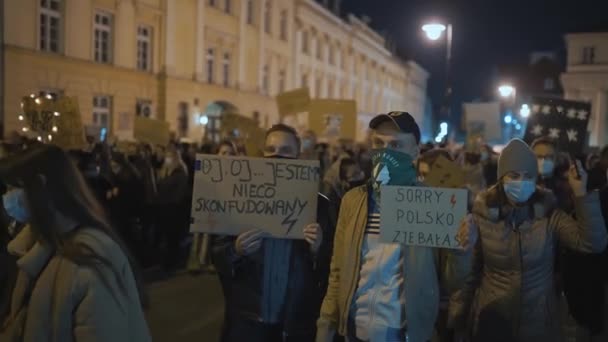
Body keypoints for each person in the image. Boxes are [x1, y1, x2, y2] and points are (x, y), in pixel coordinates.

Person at [316, 112, 471, 342]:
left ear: (415, 152)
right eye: (379, 143)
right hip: (354, 332)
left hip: (403, 335)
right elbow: (338, 271)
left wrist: (461, 252)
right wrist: (326, 326)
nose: (385, 152)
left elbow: (452, 283)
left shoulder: (434, 206)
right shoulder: (353, 201)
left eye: (396, 145)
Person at [449, 139, 608, 342]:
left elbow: (593, 243)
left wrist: (581, 194)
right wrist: (459, 321)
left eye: (528, 176)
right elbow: (469, 277)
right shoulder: (482, 217)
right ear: (501, 179)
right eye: (514, 176)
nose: (521, 182)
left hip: (540, 324)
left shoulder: (549, 214)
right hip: (493, 321)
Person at [0, 144, 150, 341]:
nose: (7, 198)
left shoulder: (91, 262)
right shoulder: (35, 245)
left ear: (41, 185)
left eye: (14, 188)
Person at [213, 124, 337, 342]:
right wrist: (236, 250)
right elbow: (217, 253)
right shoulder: (242, 197)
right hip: (248, 321)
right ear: (263, 154)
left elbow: (333, 268)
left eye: (286, 150)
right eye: (271, 149)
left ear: (299, 155)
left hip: (295, 324)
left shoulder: (320, 206)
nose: (277, 155)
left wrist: (318, 249)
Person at [155, 144, 190, 272]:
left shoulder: (180, 171)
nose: (167, 159)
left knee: (173, 238)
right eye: (166, 156)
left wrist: (171, 204)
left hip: (174, 210)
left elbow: (180, 193)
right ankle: (166, 261)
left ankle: (172, 262)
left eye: (170, 156)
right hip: (163, 209)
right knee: (166, 237)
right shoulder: (165, 171)